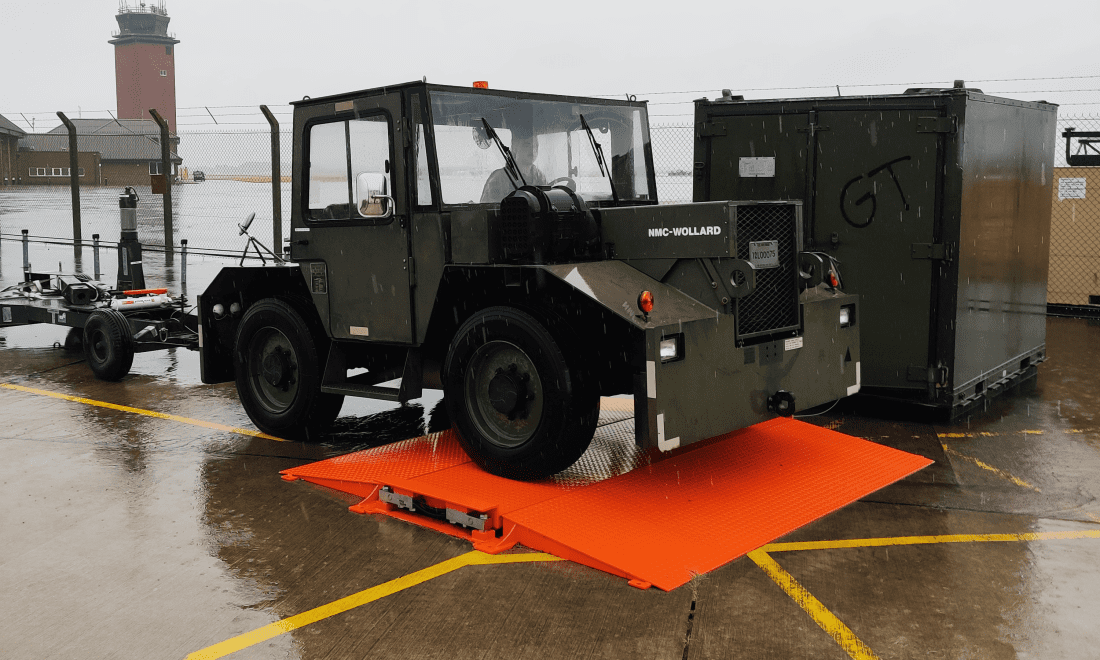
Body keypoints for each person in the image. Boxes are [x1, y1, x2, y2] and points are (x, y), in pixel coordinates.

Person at [480, 133, 547, 203]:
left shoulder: (540, 177)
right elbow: (488, 208)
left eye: (536, 146)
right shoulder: (499, 178)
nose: (533, 149)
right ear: (515, 148)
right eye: (527, 145)